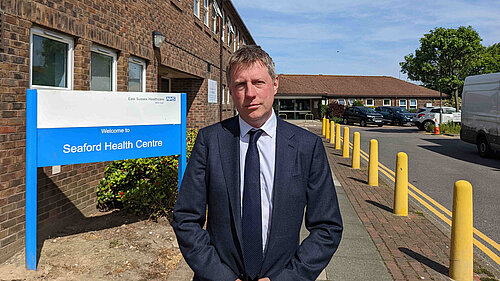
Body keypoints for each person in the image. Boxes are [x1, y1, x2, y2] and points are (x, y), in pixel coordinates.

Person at [173, 45, 343, 281]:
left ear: (275, 84)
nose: (250, 93)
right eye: (240, 84)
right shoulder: (210, 141)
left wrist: (289, 277)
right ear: (230, 90)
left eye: (258, 82)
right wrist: (222, 277)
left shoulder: (307, 146)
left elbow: (327, 227)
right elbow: (186, 218)